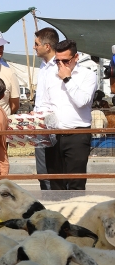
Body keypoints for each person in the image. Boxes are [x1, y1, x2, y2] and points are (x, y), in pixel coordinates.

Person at [42, 40, 97, 191]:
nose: (61, 65)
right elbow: (46, 103)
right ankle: (57, 213)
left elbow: (82, 102)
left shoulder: (88, 75)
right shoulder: (50, 75)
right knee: (56, 182)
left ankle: (77, 214)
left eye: (65, 61)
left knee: (76, 183)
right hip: (54, 134)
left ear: (76, 57)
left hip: (78, 133)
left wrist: (67, 78)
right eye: (57, 61)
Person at [33, 27, 59, 191]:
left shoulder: (59, 66)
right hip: (40, 123)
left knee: (55, 169)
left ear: (47, 46)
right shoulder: (43, 66)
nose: (34, 47)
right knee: (42, 170)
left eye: (36, 44)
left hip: (55, 124)